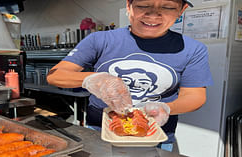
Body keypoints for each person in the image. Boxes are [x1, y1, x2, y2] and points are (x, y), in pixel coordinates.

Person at [47, 0, 213, 152]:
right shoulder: (99, 39)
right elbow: (55, 76)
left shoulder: (192, 49)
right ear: (129, 6)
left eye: (168, 7)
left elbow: (195, 95)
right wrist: (92, 79)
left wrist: (167, 108)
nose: (153, 15)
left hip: (155, 136)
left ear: (181, 10)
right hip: (99, 132)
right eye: (143, 5)